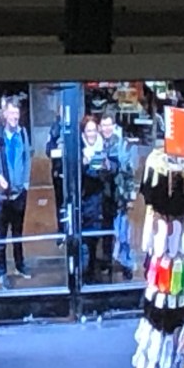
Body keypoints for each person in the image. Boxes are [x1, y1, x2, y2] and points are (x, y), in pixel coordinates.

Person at [0, 96, 32, 287]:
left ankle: (19, 264)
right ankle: (1, 272)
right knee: (1, 236)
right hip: (1, 197)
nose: (14, 117)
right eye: (11, 113)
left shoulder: (23, 133)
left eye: (17, 113)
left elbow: (27, 158)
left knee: (18, 233)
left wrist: (25, 184)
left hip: (19, 194)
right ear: (5, 114)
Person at [99, 115, 136, 281]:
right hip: (103, 197)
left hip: (119, 197)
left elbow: (129, 173)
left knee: (123, 233)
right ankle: (107, 261)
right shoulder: (98, 144)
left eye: (109, 125)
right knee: (106, 233)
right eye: (104, 125)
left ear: (114, 127)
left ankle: (127, 263)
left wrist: (130, 197)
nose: (106, 129)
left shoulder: (121, 145)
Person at [79, 115, 106, 283]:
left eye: (94, 130)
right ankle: (84, 273)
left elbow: (98, 175)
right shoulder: (79, 148)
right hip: (83, 201)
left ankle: (92, 270)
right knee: (84, 240)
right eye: (88, 130)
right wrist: (85, 163)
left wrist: (89, 164)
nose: (91, 134)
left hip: (98, 201)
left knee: (95, 240)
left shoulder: (102, 147)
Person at [44, 108, 65, 241]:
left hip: (74, 171)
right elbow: (48, 150)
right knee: (60, 201)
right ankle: (62, 230)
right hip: (59, 171)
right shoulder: (54, 128)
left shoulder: (77, 125)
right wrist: (58, 151)